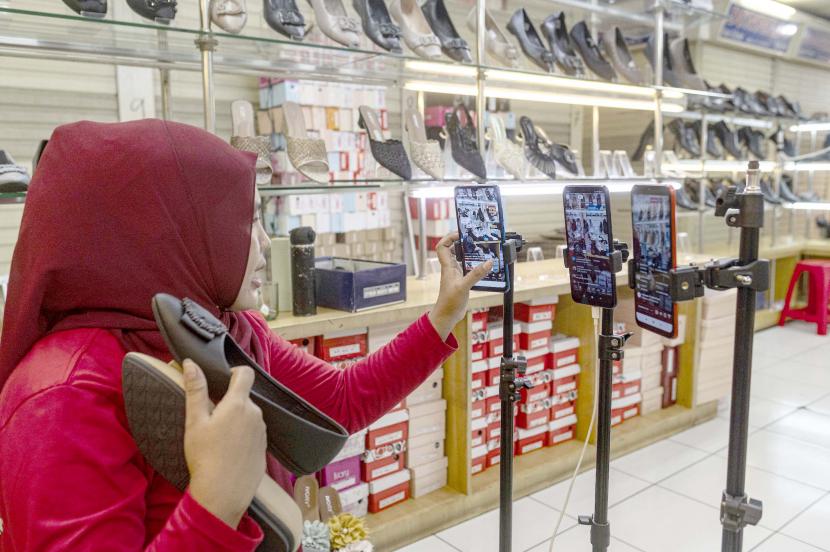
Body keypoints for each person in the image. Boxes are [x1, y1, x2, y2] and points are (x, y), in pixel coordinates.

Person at [0, 120, 492, 551]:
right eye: (247, 221)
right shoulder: (63, 396)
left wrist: (442, 316)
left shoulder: (220, 329)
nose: (262, 244)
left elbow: (337, 401)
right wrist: (216, 500)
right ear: (172, 231)